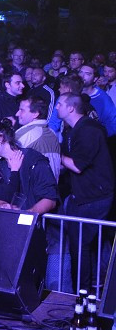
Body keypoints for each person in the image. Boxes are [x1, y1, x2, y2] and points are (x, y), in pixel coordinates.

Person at [55, 92, 114, 294]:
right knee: (84, 244)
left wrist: (56, 156)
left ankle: (82, 295)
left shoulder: (89, 130)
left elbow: (78, 165)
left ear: (71, 108)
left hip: (94, 197)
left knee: (81, 246)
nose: (56, 108)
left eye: (59, 104)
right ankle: (88, 291)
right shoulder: (74, 130)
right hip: (83, 195)